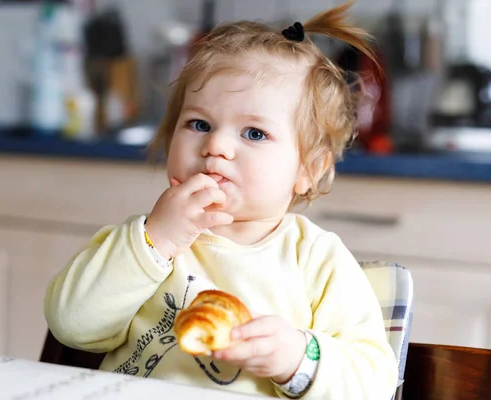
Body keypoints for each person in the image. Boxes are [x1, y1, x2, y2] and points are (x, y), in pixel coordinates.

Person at [44, 2, 399, 398]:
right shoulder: (146, 241)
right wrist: (155, 242)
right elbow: (72, 326)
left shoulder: (317, 261)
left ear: (308, 169)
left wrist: (297, 359)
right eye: (199, 124)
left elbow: (374, 383)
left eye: (254, 133)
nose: (216, 145)